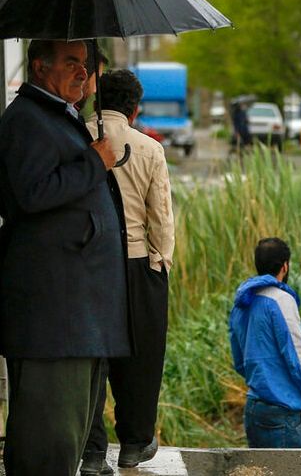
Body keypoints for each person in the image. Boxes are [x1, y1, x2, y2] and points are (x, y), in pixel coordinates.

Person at [0, 40, 130, 476]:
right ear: (39, 66)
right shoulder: (26, 120)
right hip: (55, 315)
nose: (82, 72)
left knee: (66, 437)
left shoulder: (59, 116)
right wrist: (94, 162)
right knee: (48, 442)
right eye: (71, 63)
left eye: (86, 64)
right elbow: (32, 193)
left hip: (76, 313)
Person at [82, 69, 175, 473]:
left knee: (90, 358)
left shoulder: (74, 136)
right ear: (134, 109)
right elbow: (163, 217)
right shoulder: (148, 147)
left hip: (85, 264)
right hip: (138, 264)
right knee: (141, 356)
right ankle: (135, 443)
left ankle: (92, 451)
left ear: (94, 99)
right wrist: (160, 261)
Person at [229, 238, 301, 448]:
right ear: (285, 266)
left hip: (254, 407)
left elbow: (239, 358)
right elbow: (298, 353)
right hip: (281, 412)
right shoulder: (281, 300)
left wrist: (261, 378)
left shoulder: (242, 302)